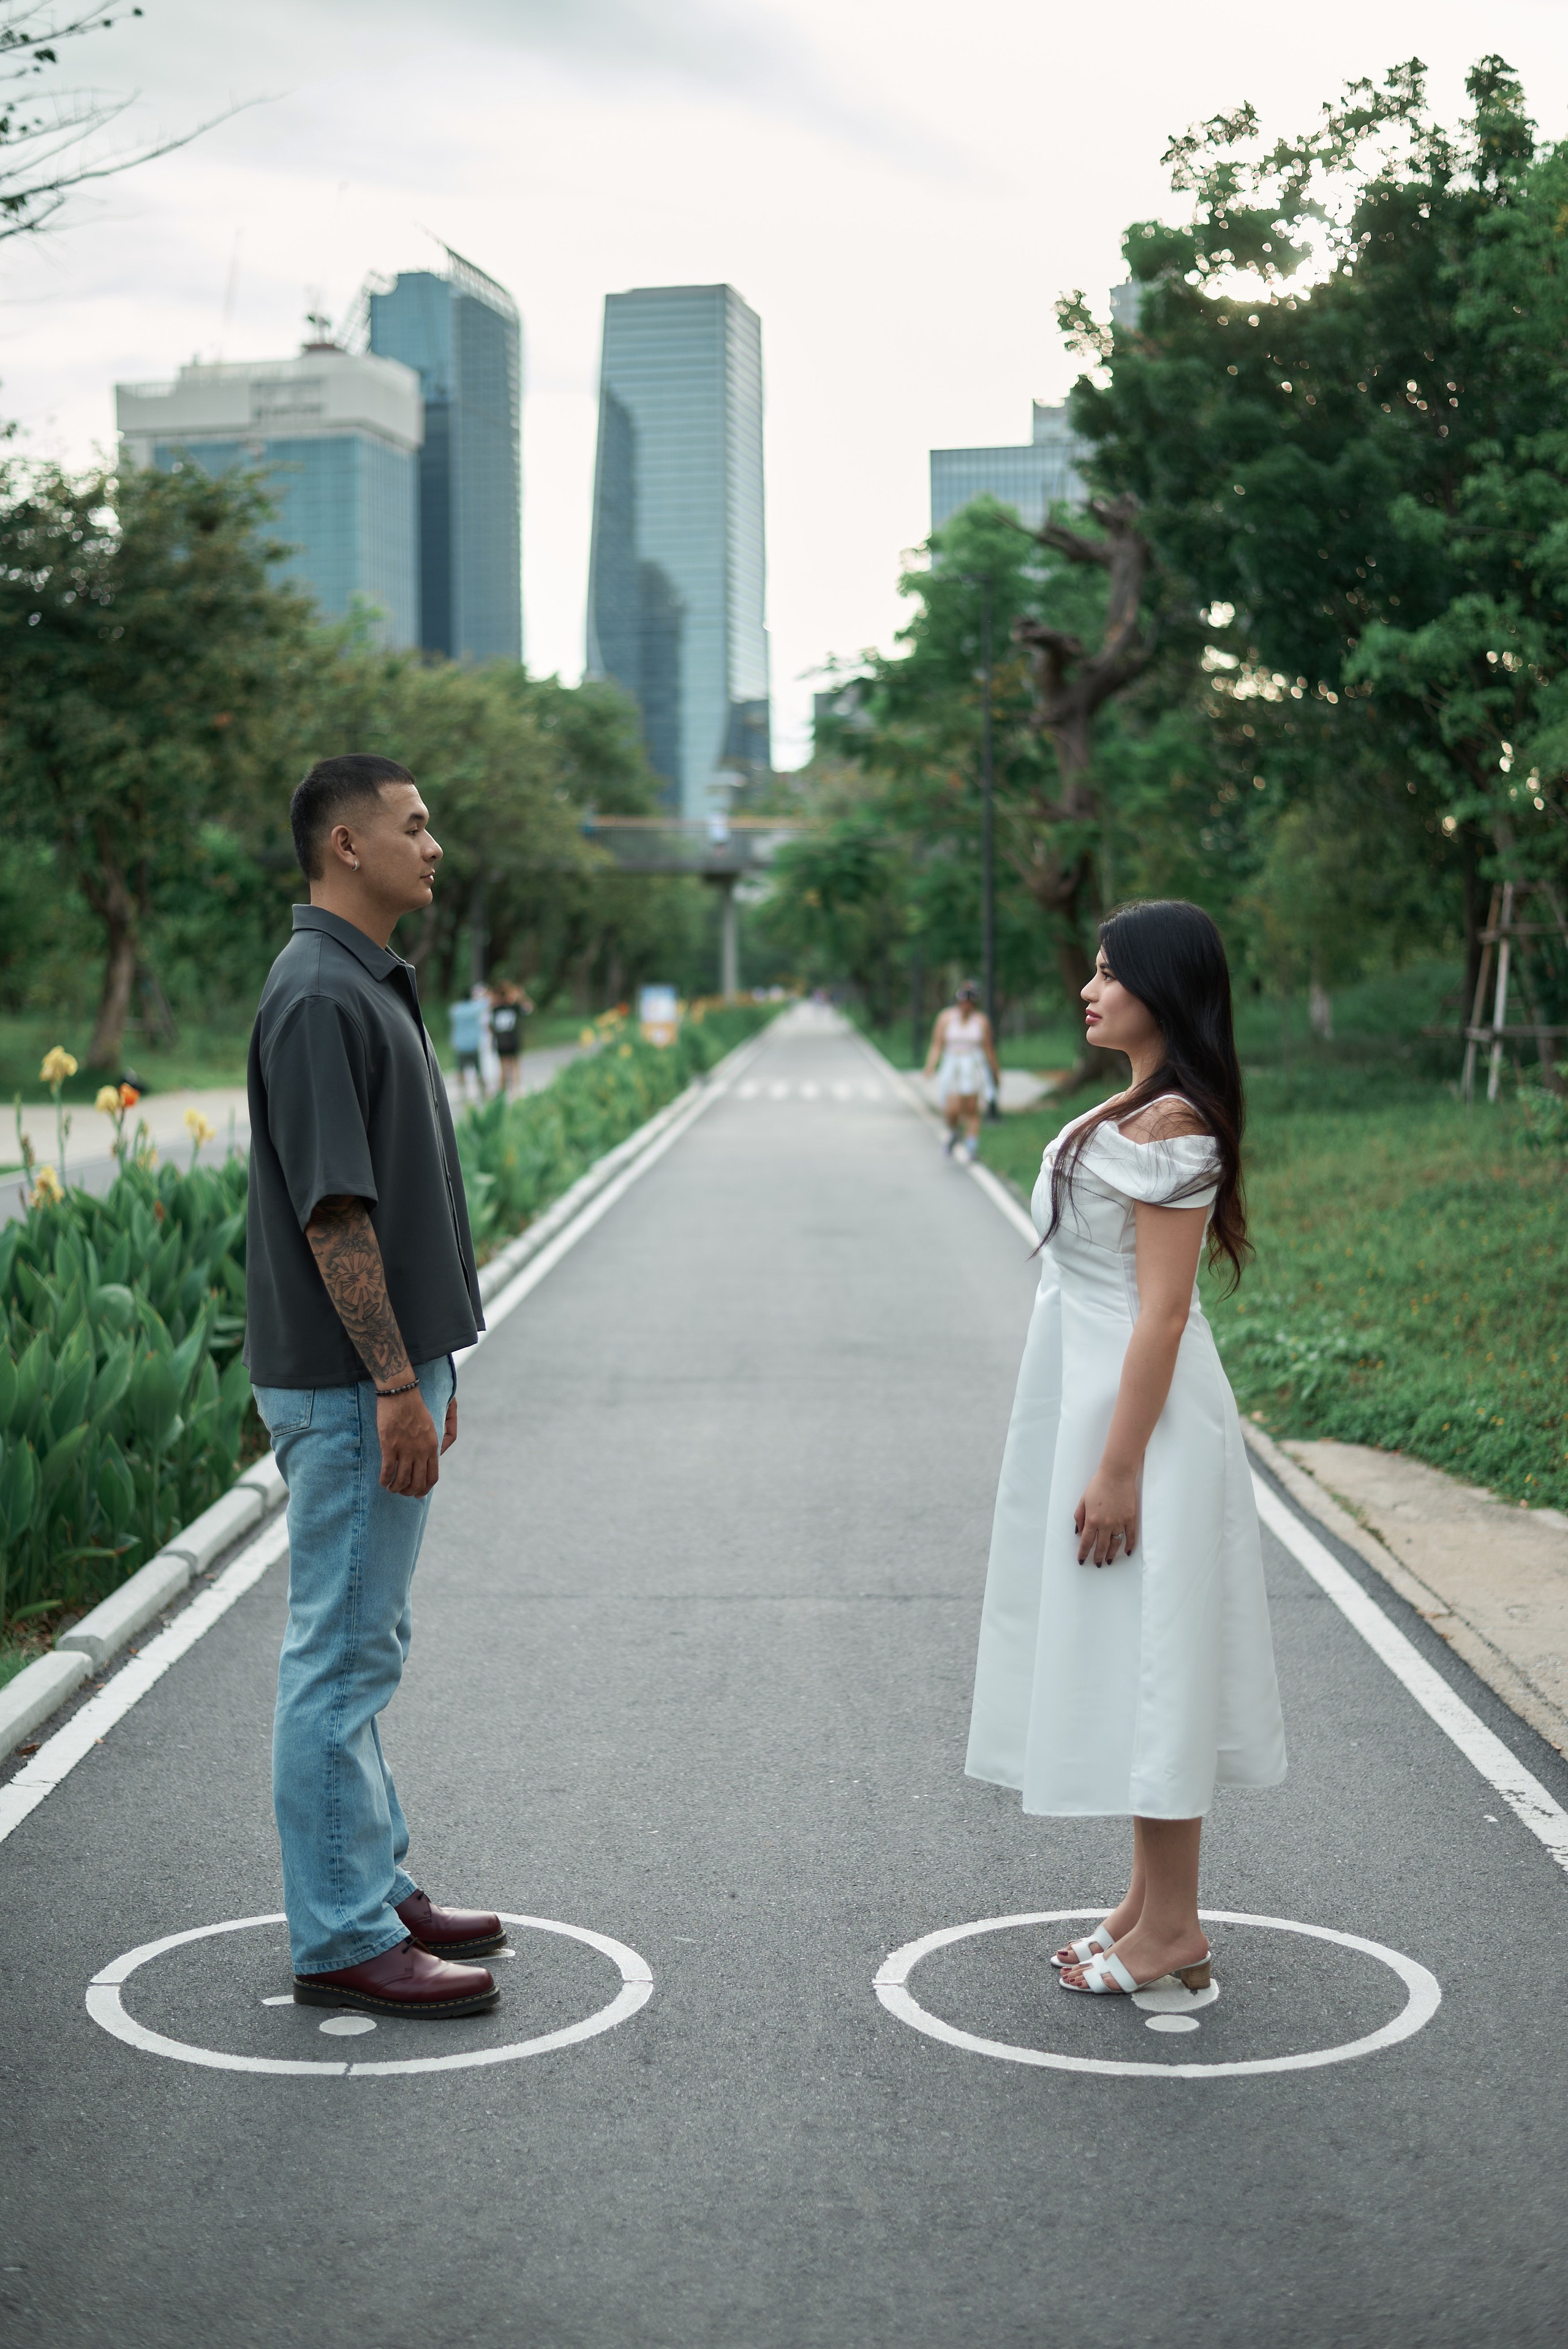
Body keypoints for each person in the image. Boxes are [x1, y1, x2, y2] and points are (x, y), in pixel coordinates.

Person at [965, 900, 1286, 2000]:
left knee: (1157, 1663)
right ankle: (1147, 1906)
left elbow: (1161, 1314)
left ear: (1164, 989)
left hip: (1140, 1423)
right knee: (1131, 1651)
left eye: (1110, 974)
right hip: (1096, 1403)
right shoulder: (1140, 1108)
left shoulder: (1178, 1129)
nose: (1088, 989)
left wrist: (1118, 1468)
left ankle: (1177, 1930)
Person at [244, 752, 504, 2021]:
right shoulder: (315, 995)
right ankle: (341, 1930)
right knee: (339, 1655)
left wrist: (431, 1364)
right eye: (413, 824)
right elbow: (332, 1212)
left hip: (386, 1372)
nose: (433, 842)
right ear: (346, 846)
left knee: (367, 1640)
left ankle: (373, 1876)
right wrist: (396, 1380)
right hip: (353, 1383)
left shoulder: (364, 982)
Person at [923, 981, 999, 1160]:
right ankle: (954, 1132)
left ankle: (972, 1147)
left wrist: (995, 1072)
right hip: (952, 1066)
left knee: (971, 1109)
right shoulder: (946, 1018)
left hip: (972, 1066)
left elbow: (988, 1049)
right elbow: (937, 1045)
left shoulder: (981, 1021)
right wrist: (931, 1066)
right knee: (953, 1109)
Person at [488, 980, 533, 1098]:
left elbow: (490, 1026)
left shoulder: (495, 1010)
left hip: (501, 1041)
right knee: (515, 1065)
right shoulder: (514, 1007)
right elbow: (529, 1009)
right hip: (513, 1040)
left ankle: (503, 1092)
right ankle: (516, 1090)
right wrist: (521, 996)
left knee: (503, 1066)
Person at [449, 992, 484, 1103]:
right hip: (473, 1044)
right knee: (479, 1071)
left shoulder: (456, 1011)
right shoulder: (475, 1010)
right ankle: (483, 1092)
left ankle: (463, 1093)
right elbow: (485, 1004)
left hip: (460, 1045)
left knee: (460, 1071)